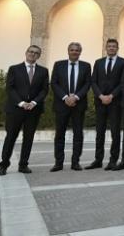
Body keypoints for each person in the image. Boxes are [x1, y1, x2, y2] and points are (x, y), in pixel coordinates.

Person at [0, 45, 49, 175]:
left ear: (39, 56)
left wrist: (33, 102)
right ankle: (4, 165)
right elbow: (10, 88)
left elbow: (44, 90)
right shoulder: (14, 69)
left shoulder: (43, 71)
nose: (33, 54)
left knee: (28, 138)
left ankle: (23, 165)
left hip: (33, 110)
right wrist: (21, 103)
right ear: (26, 53)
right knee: (10, 137)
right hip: (15, 109)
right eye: (31, 52)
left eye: (36, 53)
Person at [86, 38, 124, 170]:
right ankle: (98, 160)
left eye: (114, 46)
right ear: (106, 47)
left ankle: (113, 160)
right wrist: (100, 96)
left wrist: (111, 96)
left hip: (115, 102)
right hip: (100, 102)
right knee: (100, 132)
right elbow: (93, 82)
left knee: (115, 132)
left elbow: (123, 83)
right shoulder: (98, 62)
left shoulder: (123, 62)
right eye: (109, 46)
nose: (111, 48)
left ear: (117, 48)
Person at [50, 42, 91, 172]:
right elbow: (54, 83)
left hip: (78, 105)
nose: (74, 52)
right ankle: (58, 163)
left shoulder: (86, 66)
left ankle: (75, 162)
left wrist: (76, 97)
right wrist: (65, 97)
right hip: (62, 105)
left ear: (80, 52)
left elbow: (87, 84)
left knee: (78, 134)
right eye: (72, 50)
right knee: (59, 134)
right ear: (68, 51)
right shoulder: (58, 65)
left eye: (77, 50)